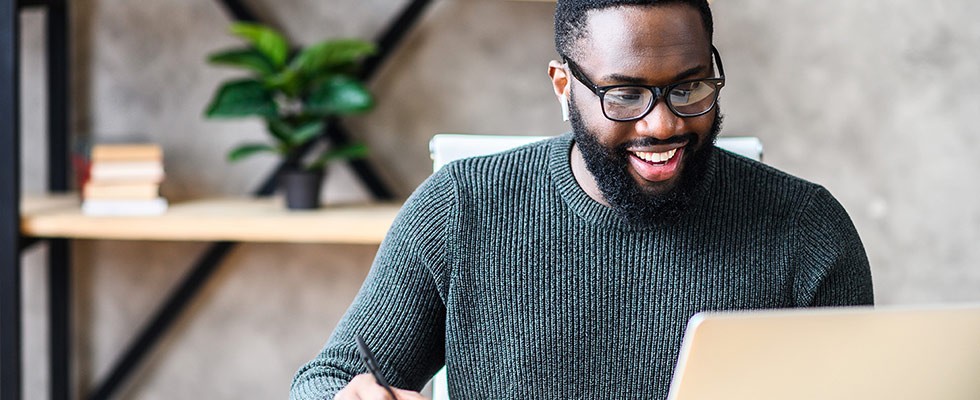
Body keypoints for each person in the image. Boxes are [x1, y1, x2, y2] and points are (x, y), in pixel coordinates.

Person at [290, 0, 874, 398]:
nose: (662, 124)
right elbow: (328, 377)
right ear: (563, 85)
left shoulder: (806, 229)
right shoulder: (459, 210)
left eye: (689, 86)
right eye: (624, 95)